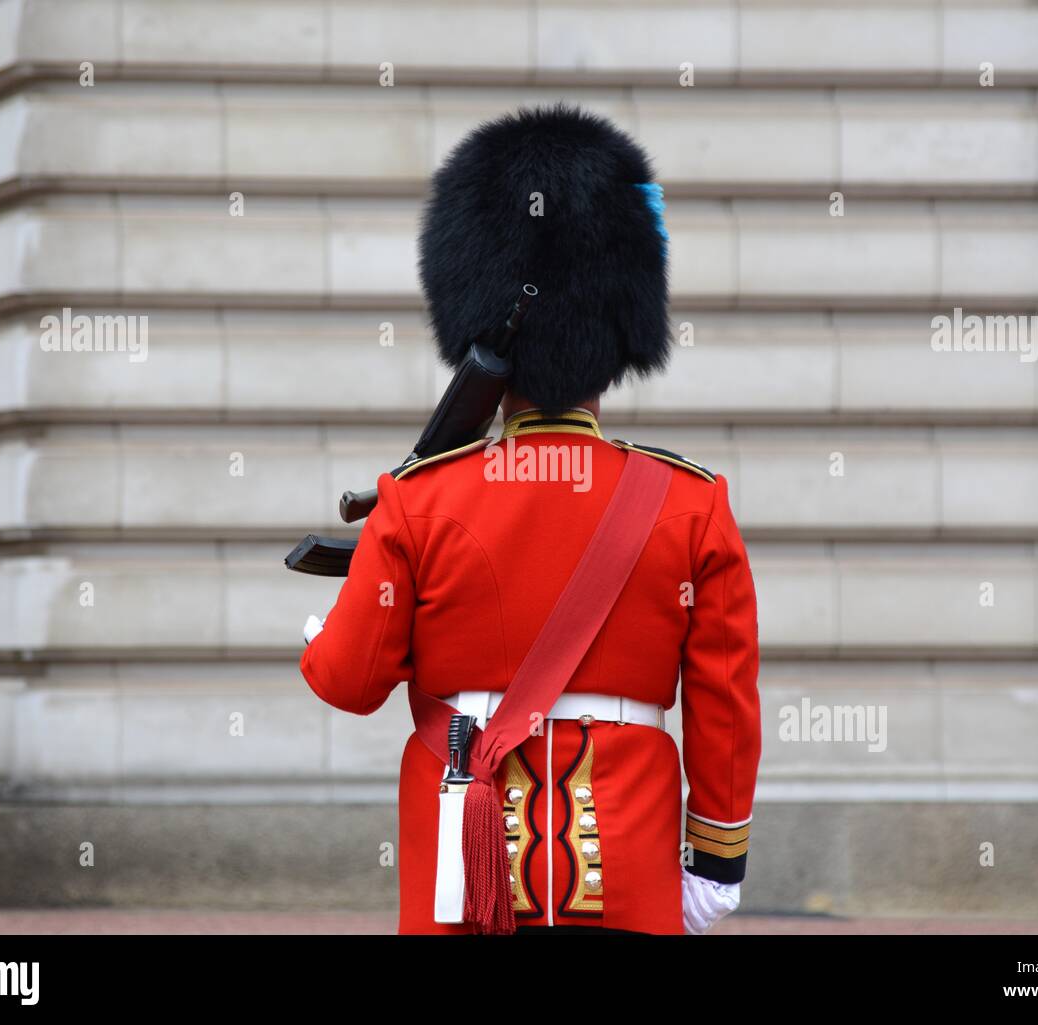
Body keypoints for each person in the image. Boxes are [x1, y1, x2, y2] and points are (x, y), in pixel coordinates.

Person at [300, 103, 760, 935]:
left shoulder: (421, 497)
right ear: (622, 328)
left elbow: (346, 681)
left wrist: (335, 609)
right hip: (628, 855)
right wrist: (715, 861)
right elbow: (723, 707)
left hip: (465, 864)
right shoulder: (692, 502)